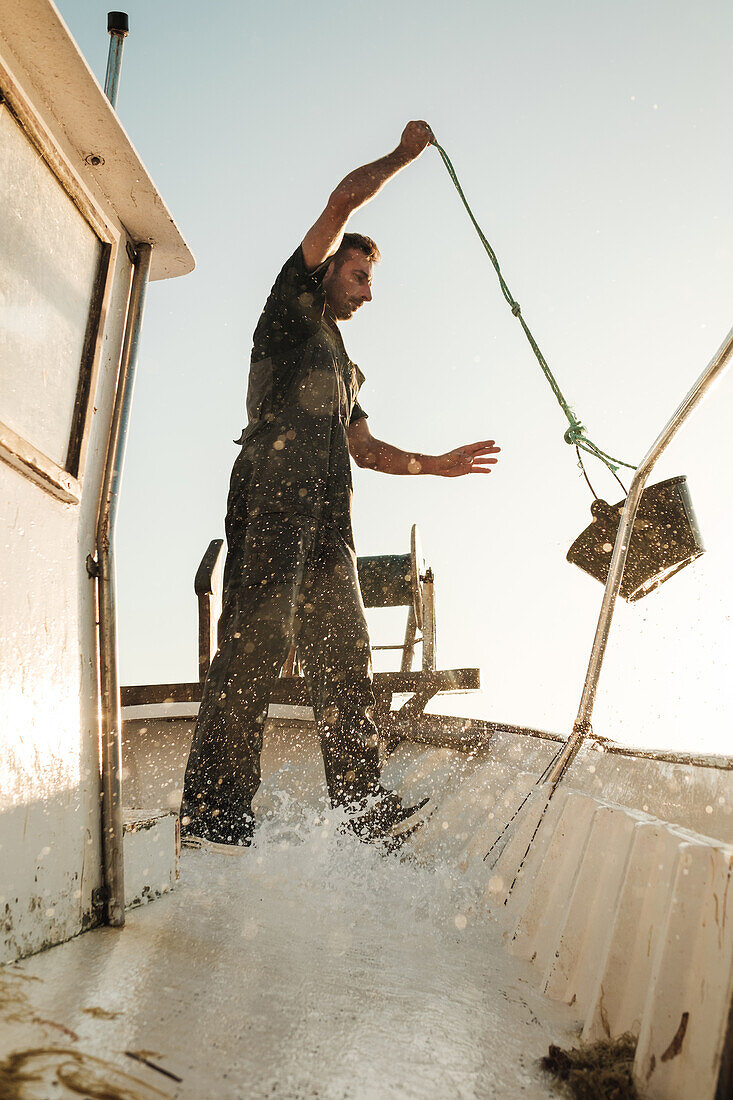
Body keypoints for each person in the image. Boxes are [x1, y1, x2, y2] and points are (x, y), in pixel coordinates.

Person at [180, 121, 500, 851]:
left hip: (329, 530)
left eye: (369, 278)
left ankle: (360, 808)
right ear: (325, 273)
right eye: (358, 274)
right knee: (255, 644)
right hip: (270, 502)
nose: (366, 289)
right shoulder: (289, 314)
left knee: (344, 656)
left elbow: (365, 450)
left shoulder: (345, 367)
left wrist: (436, 464)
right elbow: (340, 202)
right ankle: (215, 808)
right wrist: (404, 156)